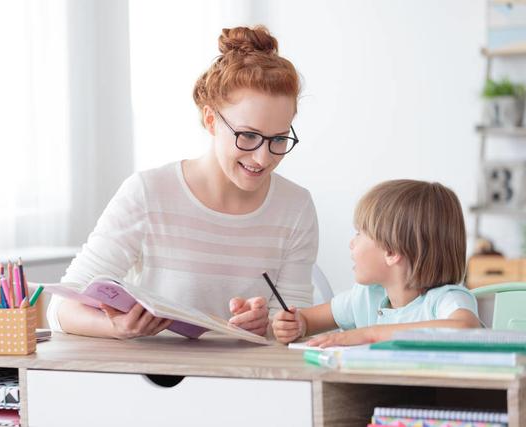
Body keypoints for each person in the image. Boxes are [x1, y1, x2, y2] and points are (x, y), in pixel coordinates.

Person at [47, 25, 319, 339]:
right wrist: (116, 327)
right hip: (155, 379)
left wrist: (268, 326)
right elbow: (61, 309)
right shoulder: (148, 194)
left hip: (245, 380)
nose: (262, 158)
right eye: (248, 136)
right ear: (210, 120)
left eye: (279, 139)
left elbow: (292, 324)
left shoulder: (295, 207)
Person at [272, 179, 480, 346]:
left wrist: (369, 335)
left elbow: (464, 329)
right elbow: (308, 321)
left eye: (359, 233)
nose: (352, 243)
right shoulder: (366, 296)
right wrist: (296, 324)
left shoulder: (446, 299)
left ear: (391, 251)